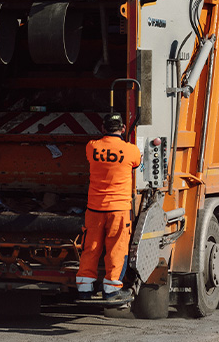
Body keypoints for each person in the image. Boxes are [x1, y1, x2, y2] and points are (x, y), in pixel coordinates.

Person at [76, 113, 141, 302]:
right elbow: (137, 163)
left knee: (91, 248)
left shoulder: (92, 147)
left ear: (103, 128)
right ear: (122, 129)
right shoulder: (131, 151)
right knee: (117, 249)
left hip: (95, 209)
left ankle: (85, 289)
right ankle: (111, 290)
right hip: (119, 210)